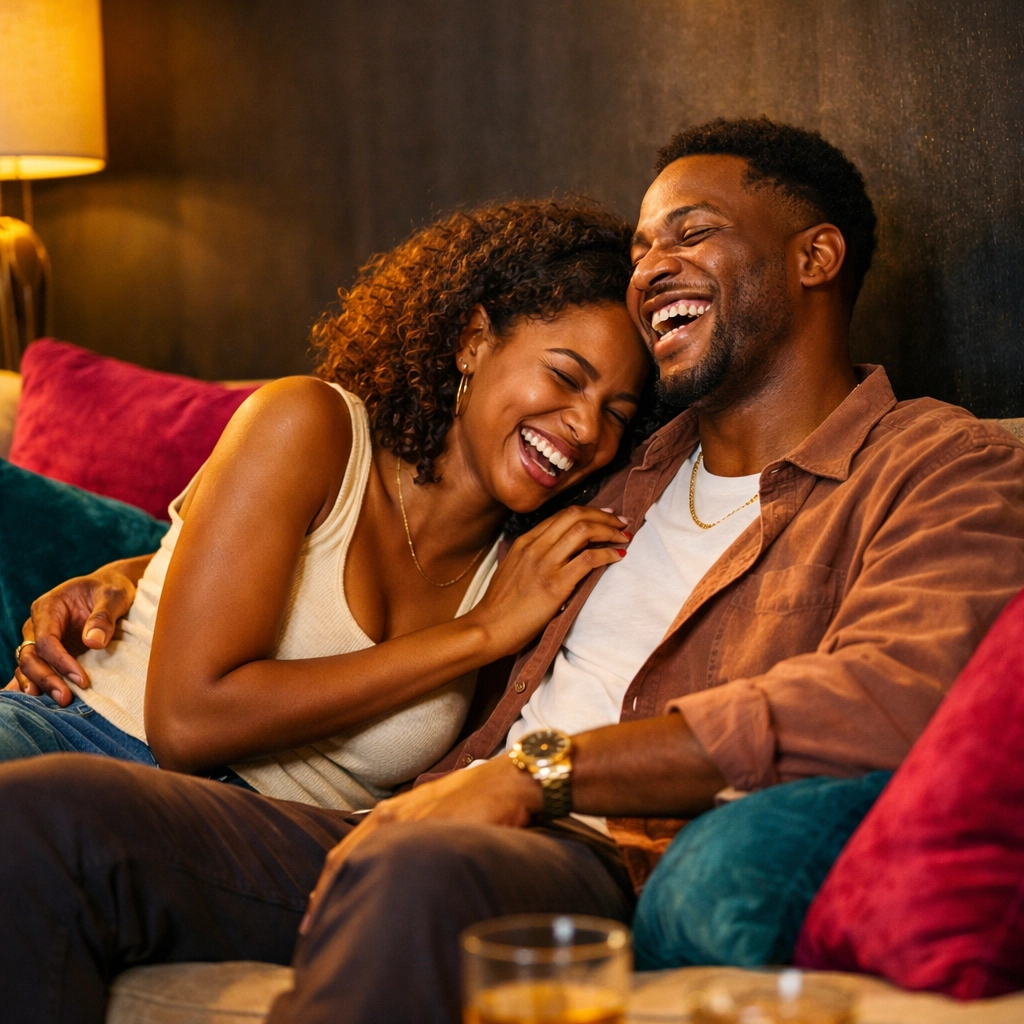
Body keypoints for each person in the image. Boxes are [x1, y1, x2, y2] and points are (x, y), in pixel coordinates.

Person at [4, 117, 1024, 1024]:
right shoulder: (616, 474)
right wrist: (134, 568)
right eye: (641, 246)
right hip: (404, 815)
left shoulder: (944, 468)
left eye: (691, 230)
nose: (651, 265)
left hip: (585, 846)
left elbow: (893, 692)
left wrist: (538, 773)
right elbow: (378, 532)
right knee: (47, 815)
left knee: (416, 869)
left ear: (815, 254)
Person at [0, 197, 656, 809]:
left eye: (617, 416)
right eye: (566, 377)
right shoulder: (310, 426)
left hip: (250, 854)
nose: (586, 428)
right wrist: (478, 634)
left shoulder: (530, 571)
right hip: (79, 738)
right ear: (473, 341)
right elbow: (187, 724)